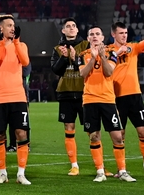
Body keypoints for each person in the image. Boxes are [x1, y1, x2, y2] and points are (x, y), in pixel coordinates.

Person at [108, 19, 144, 178]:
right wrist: (116, 53)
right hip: (116, 98)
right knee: (119, 135)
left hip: (135, 96)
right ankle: (121, 169)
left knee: (142, 131)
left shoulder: (132, 48)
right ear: (113, 34)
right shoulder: (108, 51)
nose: (124, 36)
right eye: (121, 33)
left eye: (126, 33)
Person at [78, 26, 135, 182]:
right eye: (92, 34)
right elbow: (82, 73)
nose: (95, 36)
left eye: (97, 34)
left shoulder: (112, 54)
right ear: (88, 38)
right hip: (90, 100)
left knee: (117, 136)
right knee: (94, 137)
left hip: (108, 100)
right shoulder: (82, 55)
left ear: (103, 37)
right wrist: (92, 58)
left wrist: (102, 57)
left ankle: (122, 171)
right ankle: (100, 171)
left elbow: (109, 72)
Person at [0, 15, 31, 185]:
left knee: (21, 133)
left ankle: (21, 173)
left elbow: (25, 62)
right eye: (9, 25)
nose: (12, 28)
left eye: (14, 25)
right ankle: (2, 173)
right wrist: (4, 44)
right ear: (1, 29)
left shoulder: (22, 45)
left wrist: (16, 42)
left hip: (18, 97)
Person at [50, 17, 89, 176]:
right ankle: (74, 165)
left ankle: (99, 165)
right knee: (69, 128)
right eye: (68, 26)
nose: (71, 28)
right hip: (65, 93)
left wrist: (75, 58)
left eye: (74, 25)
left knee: (92, 131)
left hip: (84, 93)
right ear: (63, 30)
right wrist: (64, 58)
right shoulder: (57, 49)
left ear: (78, 30)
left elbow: (91, 63)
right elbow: (56, 70)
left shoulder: (86, 45)